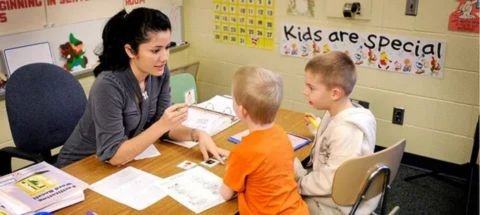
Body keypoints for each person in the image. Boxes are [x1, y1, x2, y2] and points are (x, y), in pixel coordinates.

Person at [56, 8, 227, 168]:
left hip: (119, 165)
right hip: (81, 167)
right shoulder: (107, 85)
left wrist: (197, 134)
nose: (165, 57)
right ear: (131, 51)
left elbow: (166, 126)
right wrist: (162, 125)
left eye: (167, 47)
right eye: (155, 50)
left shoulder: (158, 73)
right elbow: (114, 155)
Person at [294, 51, 379, 214]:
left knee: (278, 187)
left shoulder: (347, 130)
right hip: (335, 191)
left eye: (311, 87)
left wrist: (299, 183)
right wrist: (319, 128)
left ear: (334, 93)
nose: (305, 92)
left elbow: (331, 181)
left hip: (336, 206)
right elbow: (334, 139)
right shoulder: (340, 112)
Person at [220, 66, 309, 215]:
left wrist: (230, 168)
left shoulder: (243, 151)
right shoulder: (281, 135)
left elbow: (225, 194)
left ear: (242, 110)